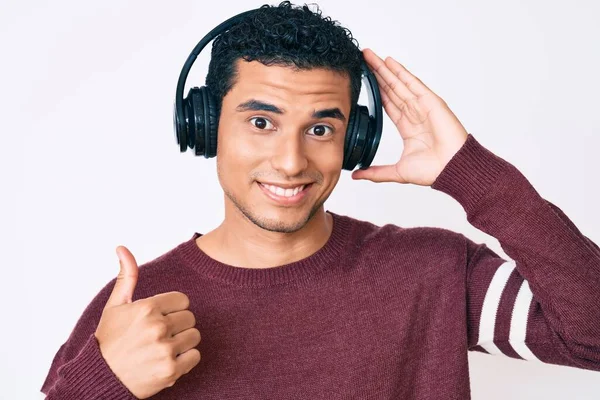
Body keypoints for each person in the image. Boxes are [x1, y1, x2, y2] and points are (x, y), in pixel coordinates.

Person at [40, 2, 600, 399]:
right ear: (205, 125)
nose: (290, 161)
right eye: (261, 122)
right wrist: (103, 386)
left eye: (321, 129)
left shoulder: (434, 272)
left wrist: (472, 174)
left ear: (354, 139)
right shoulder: (135, 312)